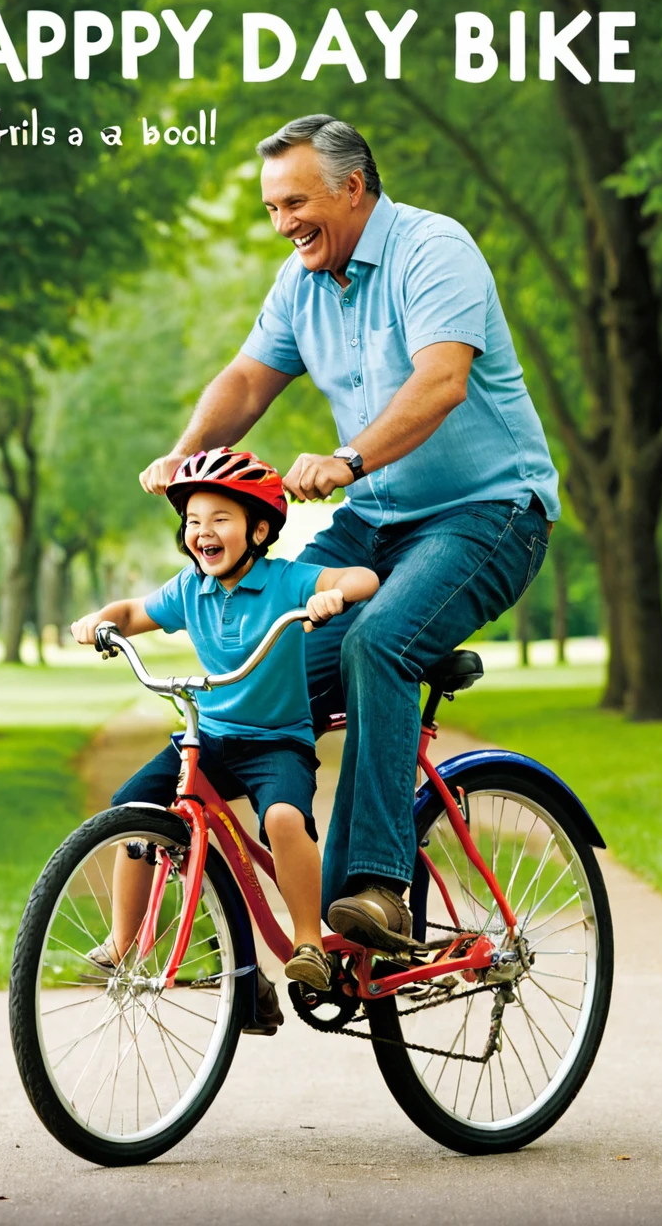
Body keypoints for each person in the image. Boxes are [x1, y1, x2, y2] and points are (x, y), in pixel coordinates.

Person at [139, 115, 559, 955]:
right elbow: (249, 377)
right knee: (264, 650)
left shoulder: (433, 251)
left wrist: (346, 458)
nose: (283, 221)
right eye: (270, 207)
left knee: (379, 644)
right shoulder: (300, 284)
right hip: (376, 525)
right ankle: (223, 920)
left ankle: (376, 889)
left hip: (488, 513)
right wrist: (184, 457)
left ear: (353, 188)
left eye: (296, 201)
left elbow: (440, 383)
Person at [71, 447, 379, 1014]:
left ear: (258, 529)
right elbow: (136, 611)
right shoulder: (191, 589)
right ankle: (122, 940)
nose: (202, 532)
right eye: (192, 521)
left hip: (276, 743)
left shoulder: (286, 581)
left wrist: (335, 595)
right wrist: (101, 621)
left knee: (284, 819)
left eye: (219, 520)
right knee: (130, 810)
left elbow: (363, 576)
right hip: (208, 736)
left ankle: (308, 942)